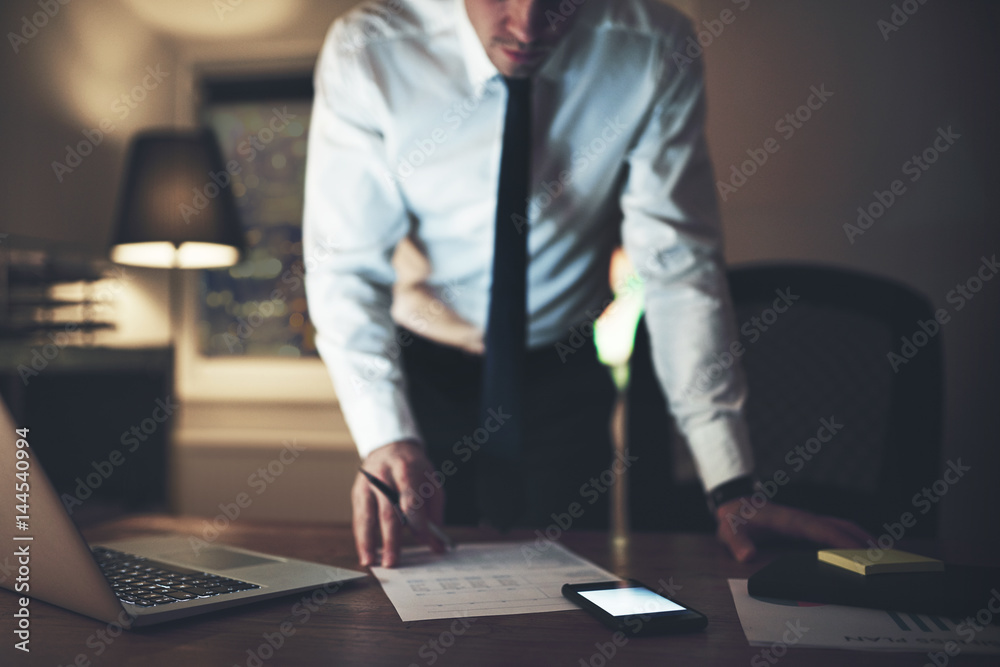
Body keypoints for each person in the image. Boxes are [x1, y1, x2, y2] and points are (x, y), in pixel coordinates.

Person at [303, 0, 871, 568]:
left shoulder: (653, 45)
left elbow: (678, 266)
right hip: (422, 373)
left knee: (579, 593)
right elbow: (346, 266)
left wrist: (731, 485)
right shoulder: (369, 51)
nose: (527, 25)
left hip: (564, 370)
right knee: (416, 593)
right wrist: (385, 433)